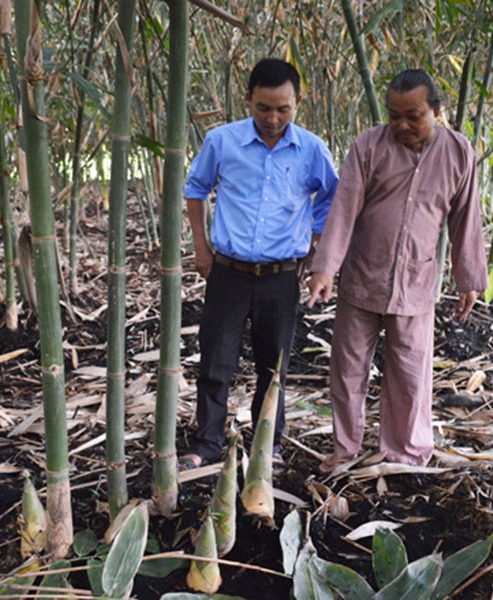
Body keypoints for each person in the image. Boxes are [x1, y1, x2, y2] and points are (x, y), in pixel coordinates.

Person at [307, 69, 487, 470]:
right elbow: (344, 209)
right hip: (362, 277)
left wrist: (469, 279)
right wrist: (325, 269)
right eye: (394, 116)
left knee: (409, 374)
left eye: (414, 116)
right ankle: (344, 448)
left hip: (416, 283)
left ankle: (405, 454)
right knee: (349, 370)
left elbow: (465, 220)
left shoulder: (459, 153)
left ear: (438, 111)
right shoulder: (368, 146)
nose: (402, 125)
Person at [179, 58, 338, 471]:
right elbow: (195, 188)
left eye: (283, 109)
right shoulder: (222, 142)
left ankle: (269, 445)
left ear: (299, 101)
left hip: (281, 277)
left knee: (275, 367)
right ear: (247, 98)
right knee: (215, 362)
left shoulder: (311, 149)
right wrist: (201, 246)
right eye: (263, 107)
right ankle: (207, 443)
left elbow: (332, 197)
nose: (272, 118)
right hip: (228, 271)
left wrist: (315, 246)